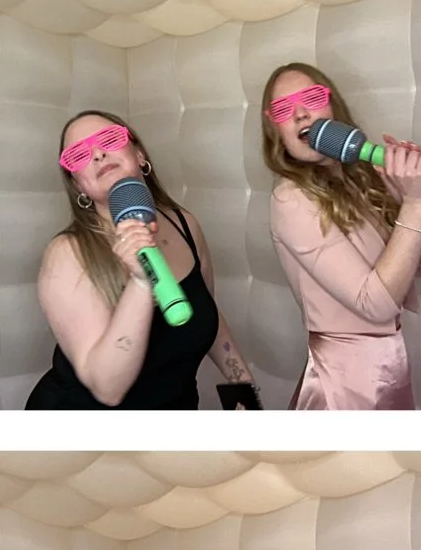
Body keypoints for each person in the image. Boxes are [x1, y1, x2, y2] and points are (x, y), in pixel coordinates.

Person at [26, 111, 258, 410]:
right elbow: (107, 389)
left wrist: (244, 394)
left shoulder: (184, 224)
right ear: (78, 186)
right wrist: (140, 282)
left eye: (109, 139)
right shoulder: (66, 254)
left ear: (139, 154)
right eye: (79, 155)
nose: (98, 154)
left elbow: (207, 314)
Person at [261, 65, 421, 410]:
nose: (300, 113)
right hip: (345, 382)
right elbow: (375, 304)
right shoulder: (291, 199)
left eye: (311, 97)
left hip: (388, 366)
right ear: (276, 129)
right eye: (283, 109)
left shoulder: (360, 179)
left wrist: (413, 194)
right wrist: (415, 204)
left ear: (333, 106)